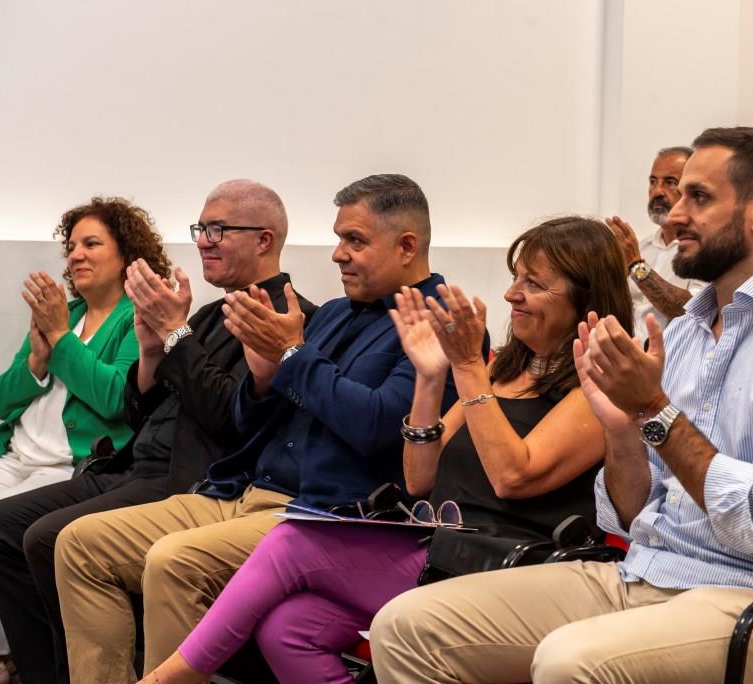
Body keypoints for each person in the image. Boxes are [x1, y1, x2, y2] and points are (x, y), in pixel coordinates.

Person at [370, 127, 753, 684]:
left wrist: (653, 409)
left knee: (571, 662)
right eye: (677, 197)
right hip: (648, 573)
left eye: (698, 197)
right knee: (407, 628)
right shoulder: (690, 330)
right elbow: (629, 514)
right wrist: (623, 431)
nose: (673, 216)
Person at [138, 215, 633, 684]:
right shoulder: (503, 369)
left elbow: (512, 475)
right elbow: (419, 476)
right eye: (515, 277)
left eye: (533, 283)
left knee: (292, 542)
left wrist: (467, 371)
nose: (511, 293)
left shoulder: (598, 384)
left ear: (584, 296)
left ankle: (173, 675)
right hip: (443, 548)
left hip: (512, 569)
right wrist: (429, 376)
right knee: (290, 627)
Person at [52, 174, 459, 682]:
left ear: (406, 246)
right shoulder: (332, 314)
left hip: (325, 517)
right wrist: (263, 382)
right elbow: (245, 424)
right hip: (241, 489)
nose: (337, 254)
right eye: (338, 238)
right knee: (79, 544)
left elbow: (378, 427)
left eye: (354, 240)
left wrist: (291, 355)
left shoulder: (442, 321)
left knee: (173, 561)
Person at [0, 180, 315, 684]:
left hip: (189, 478)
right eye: (200, 229)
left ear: (264, 239)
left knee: (47, 538)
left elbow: (232, 420)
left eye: (217, 229)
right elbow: (139, 407)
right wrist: (153, 350)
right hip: (132, 462)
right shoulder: (209, 313)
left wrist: (175, 333)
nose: (203, 241)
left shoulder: (288, 317)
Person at [0, 198, 170, 684]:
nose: (75, 256)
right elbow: (2, 400)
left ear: (127, 254)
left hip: (73, 466)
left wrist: (59, 338)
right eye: (71, 247)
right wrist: (37, 362)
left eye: (91, 244)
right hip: (17, 454)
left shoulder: (135, 317)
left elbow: (117, 397)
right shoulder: (61, 312)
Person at [607, 146, 704, 340]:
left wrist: (636, 266)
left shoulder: (704, 251)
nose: (657, 191)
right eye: (653, 181)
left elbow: (690, 310)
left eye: (670, 182)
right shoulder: (641, 248)